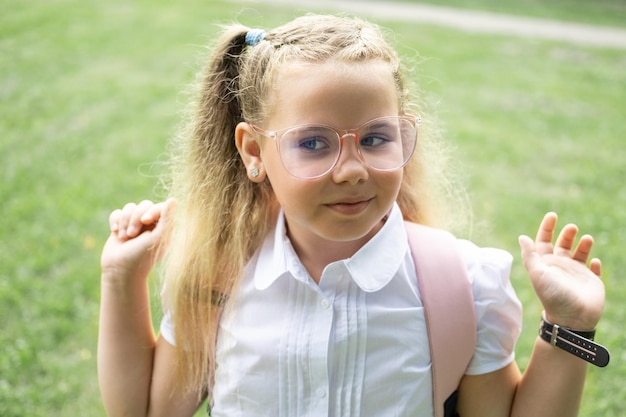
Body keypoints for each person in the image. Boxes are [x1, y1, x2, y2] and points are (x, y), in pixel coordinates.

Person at [97, 14, 606, 417]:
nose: (351, 170)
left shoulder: (462, 285)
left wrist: (569, 326)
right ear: (253, 151)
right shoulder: (217, 276)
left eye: (375, 138)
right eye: (313, 143)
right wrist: (121, 278)